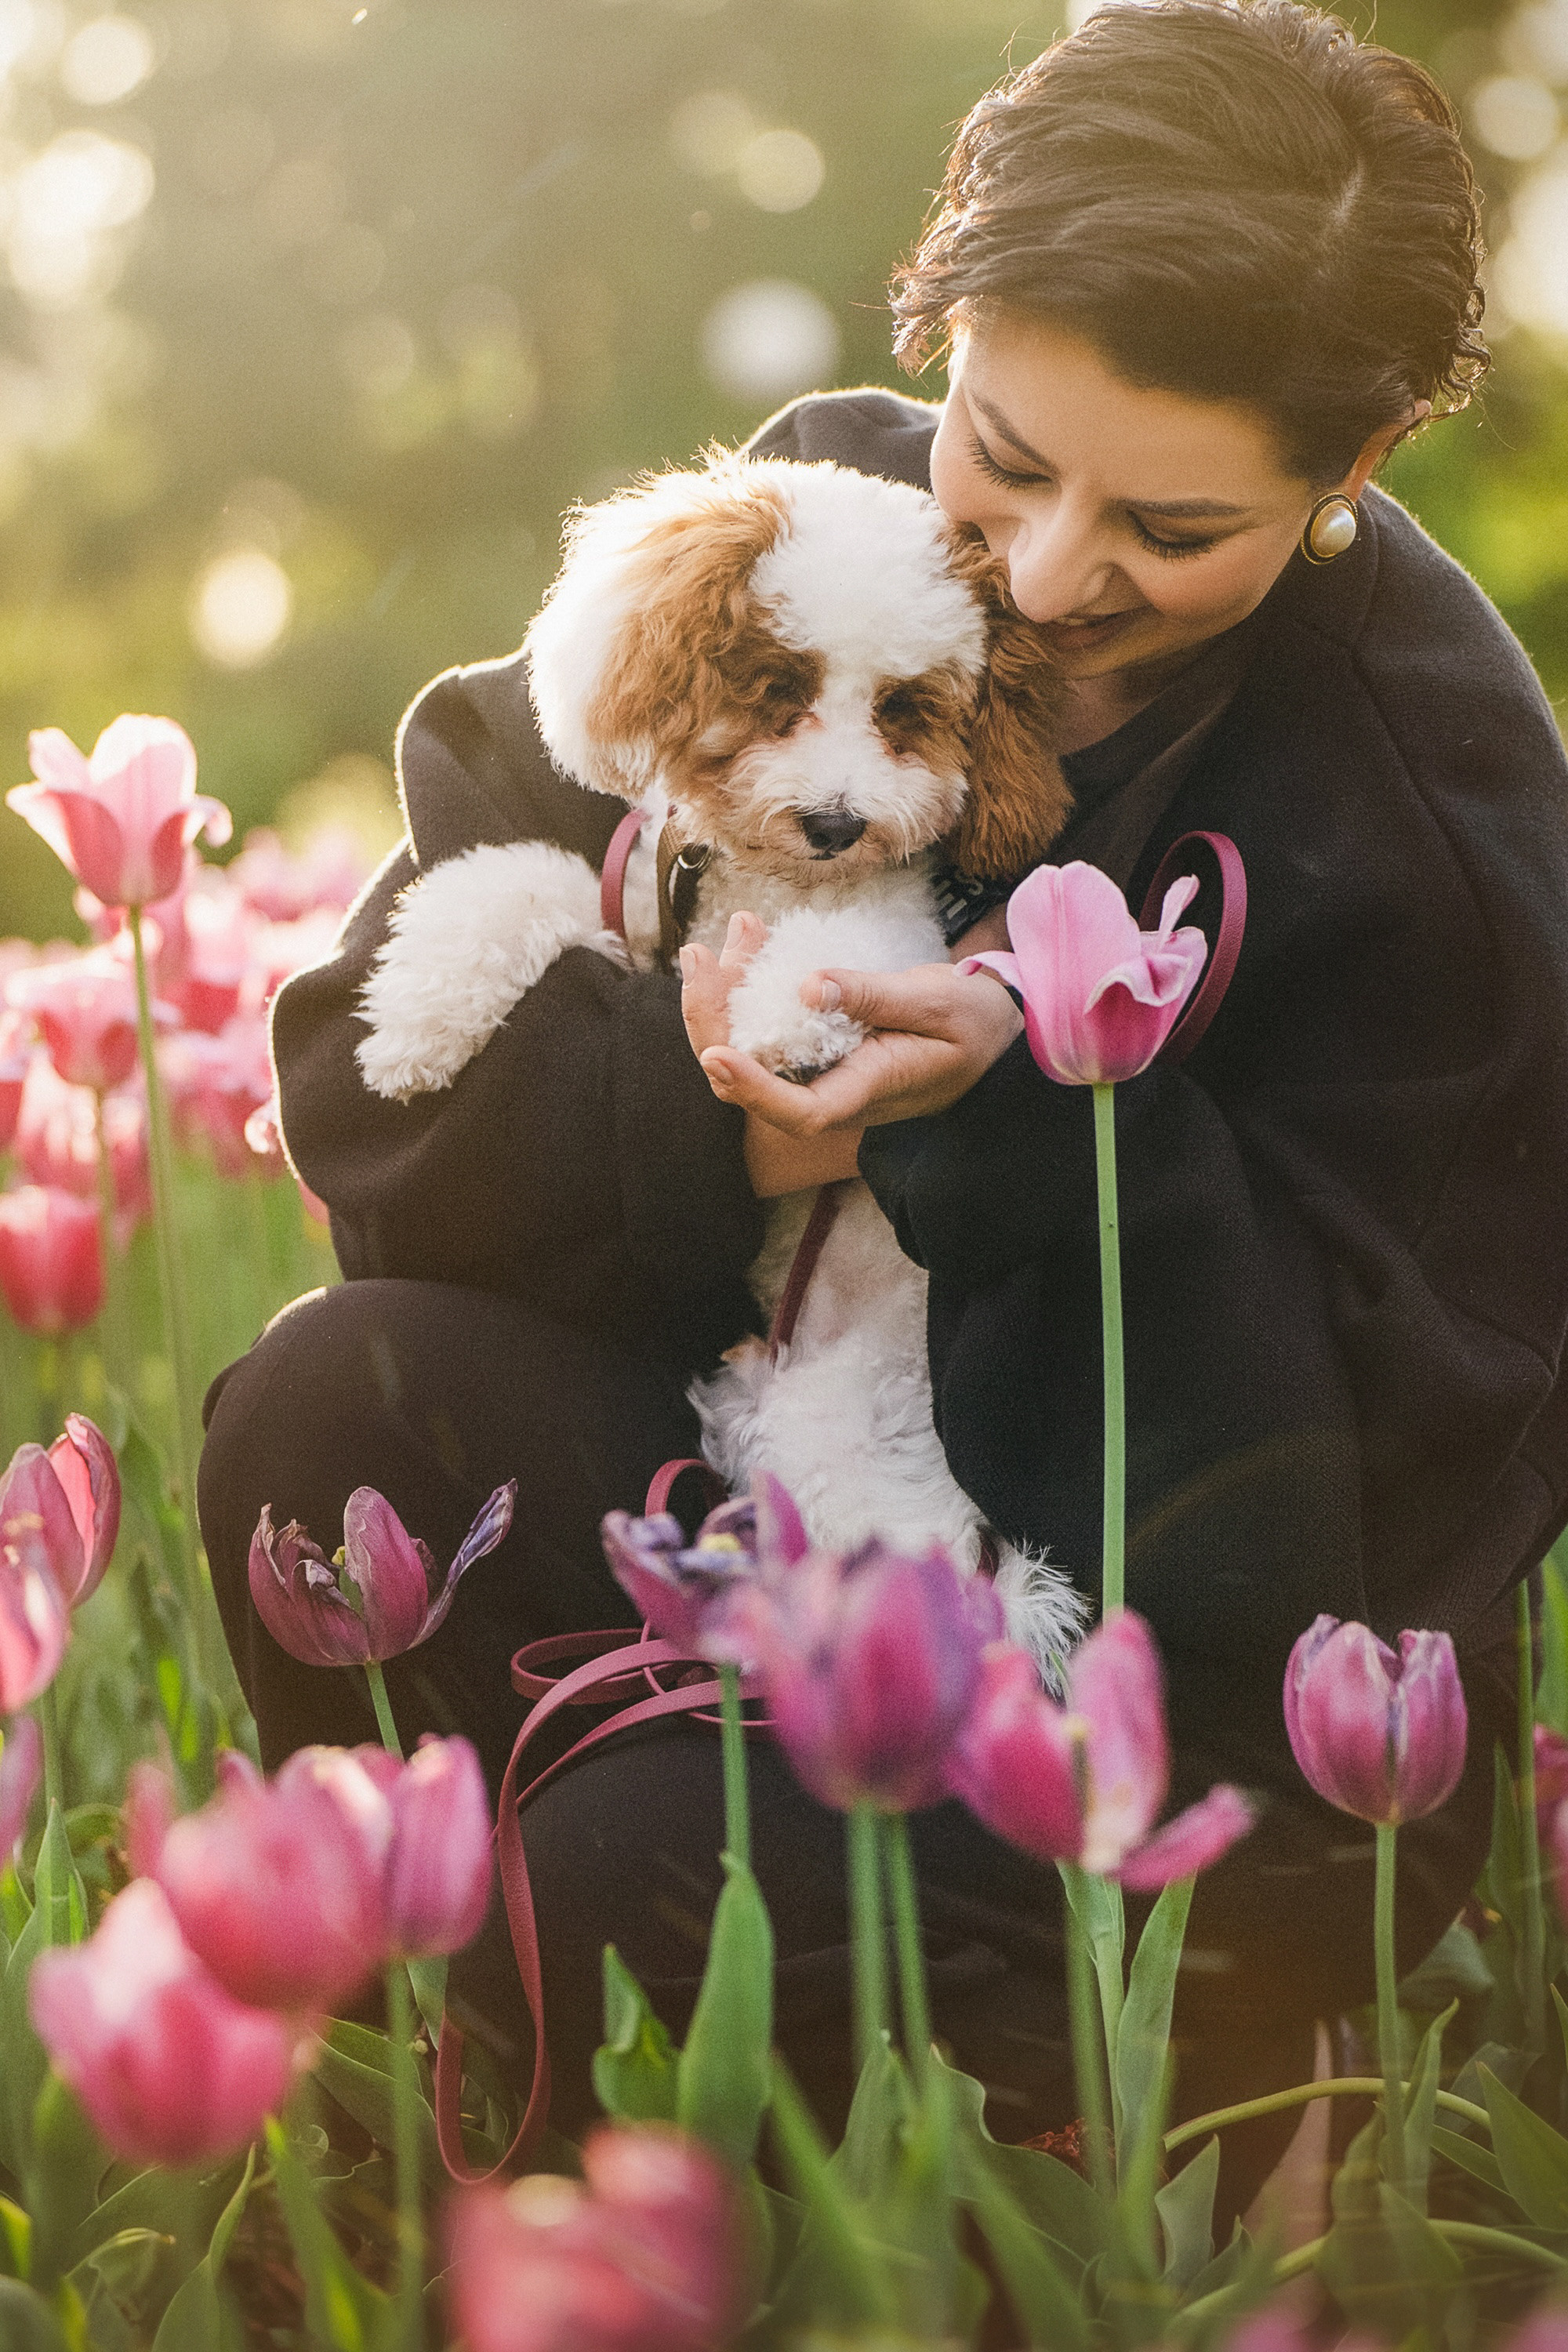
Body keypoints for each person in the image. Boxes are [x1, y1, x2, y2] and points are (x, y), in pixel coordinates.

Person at [198, 0, 1568, 2224]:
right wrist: (749, 1130)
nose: (1041, 576)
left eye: (1176, 522)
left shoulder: (1422, 794)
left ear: (1366, 463)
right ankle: (425, 2119)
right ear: (944, 318)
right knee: (328, 1412)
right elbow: (372, 1084)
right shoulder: (806, 529)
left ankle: (1083, 2126)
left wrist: (1024, 1131)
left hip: (1146, 1682)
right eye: (1005, 452)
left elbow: (1352, 1515)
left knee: (626, 1880)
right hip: (738, 1471)